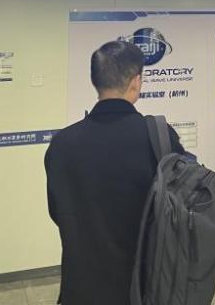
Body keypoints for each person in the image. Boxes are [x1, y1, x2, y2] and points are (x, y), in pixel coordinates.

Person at [44, 40, 183, 305]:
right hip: (143, 287)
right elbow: (177, 212)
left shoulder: (62, 144)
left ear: (94, 81)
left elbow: (57, 212)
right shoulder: (160, 138)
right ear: (136, 82)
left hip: (81, 288)